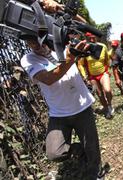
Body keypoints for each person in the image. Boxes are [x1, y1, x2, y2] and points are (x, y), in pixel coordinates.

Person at [20, 35, 102, 180]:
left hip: (82, 107)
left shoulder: (62, 45)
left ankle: (95, 173)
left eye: (36, 38)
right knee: (54, 152)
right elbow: (48, 79)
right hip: (58, 113)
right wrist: (71, 58)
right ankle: (81, 150)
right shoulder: (28, 59)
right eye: (30, 41)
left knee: (92, 149)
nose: (34, 43)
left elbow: (87, 36)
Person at [78, 32, 114, 119]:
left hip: (103, 73)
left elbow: (107, 59)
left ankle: (109, 105)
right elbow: (80, 64)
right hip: (92, 76)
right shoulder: (85, 49)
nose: (91, 39)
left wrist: (107, 69)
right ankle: (106, 109)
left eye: (93, 37)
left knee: (107, 90)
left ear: (96, 37)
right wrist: (84, 76)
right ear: (86, 38)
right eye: (89, 37)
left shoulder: (103, 46)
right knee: (100, 94)